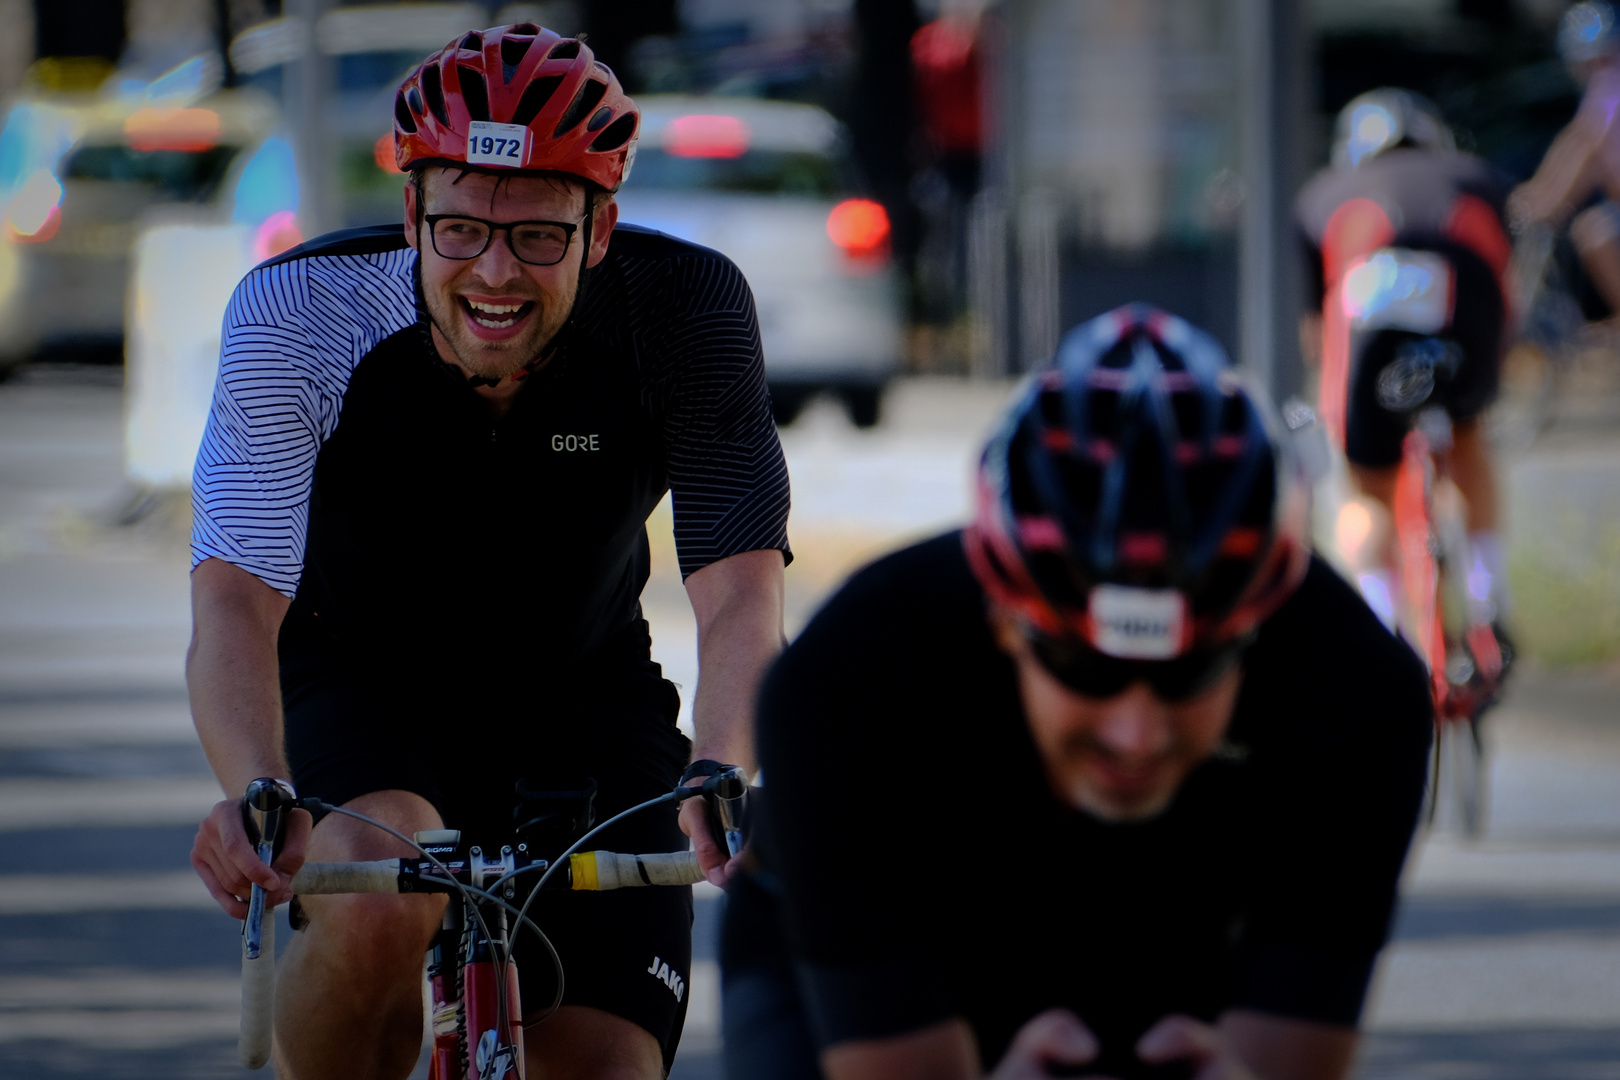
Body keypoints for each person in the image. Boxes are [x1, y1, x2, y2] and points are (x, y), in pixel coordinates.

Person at [185, 23, 790, 1080]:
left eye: (541, 237)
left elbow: (740, 586)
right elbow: (236, 593)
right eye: (460, 229)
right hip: (359, 686)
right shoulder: (301, 313)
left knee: (602, 1067)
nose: (495, 273)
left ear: (600, 229)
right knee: (375, 889)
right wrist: (258, 787)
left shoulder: (685, 312)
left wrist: (721, 764)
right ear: (411, 214)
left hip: (582, 691)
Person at [719, 305, 1433, 1080]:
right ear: (1004, 622)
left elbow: (1285, 1056)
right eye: (1087, 671)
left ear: (1254, 634)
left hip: (1181, 942)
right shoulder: (848, 682)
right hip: (894, 940)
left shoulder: (1360, 693)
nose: (1136, 729)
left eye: (1187, 674)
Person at [1295, 88, 1514, 687]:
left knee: (1366, 485)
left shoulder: (1324, 192)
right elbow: (1505, 276)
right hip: (1466, 291)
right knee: (1467, 441)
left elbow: (1319, 326)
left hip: (1371, 290)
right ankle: (1488, 604)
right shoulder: (1475, 173)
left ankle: (1377, 625)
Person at [1511, 0, 1620, 321]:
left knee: (1595, 233)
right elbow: (1575, 140)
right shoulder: (1606, 87)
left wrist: (1551, 201)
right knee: (1597, 231)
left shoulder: (1610, 85)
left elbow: (1588, 147)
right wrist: (1542, 189)